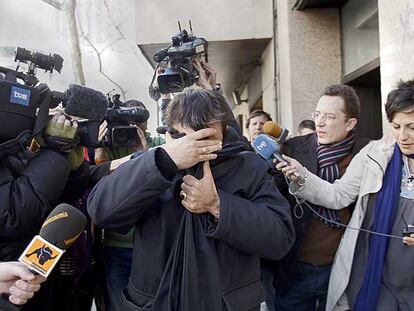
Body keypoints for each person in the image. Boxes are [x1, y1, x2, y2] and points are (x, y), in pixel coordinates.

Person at [87, 87, 295, 310]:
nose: (196, 141)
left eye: (206, 131)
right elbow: (102, 211)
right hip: (156, 301)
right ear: (170, 131)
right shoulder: (153, 162)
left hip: (223, 302)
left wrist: (218, 205)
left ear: (223, 128)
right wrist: (164, 162)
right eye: (185, 134)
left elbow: (280, 238)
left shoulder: (248, 166)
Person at [277, 79, 414, 311]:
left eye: (412, 127)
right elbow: (338, 194)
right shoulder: (376, 154)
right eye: (396, 126)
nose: (403, 136)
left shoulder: (362, 148)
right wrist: (301, 176)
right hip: (379, 271)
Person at [268, 84, 369, 311]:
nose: (320, 123)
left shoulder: (367, 154)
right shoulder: (294, 148)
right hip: (295, 266)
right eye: (317, 114)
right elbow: (272, 195)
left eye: (330, 116)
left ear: (350, 123)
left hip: (342, 267)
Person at [94, 100, 164, 311]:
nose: (133, 128)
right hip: (116, 244)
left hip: (151, 242)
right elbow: (99, 192)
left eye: (139, 123)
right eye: (128, 122)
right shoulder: (109, 145)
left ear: (146, 124)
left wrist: (144, 153)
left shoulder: (158, 142)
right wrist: (100, 159)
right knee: (117, 303)